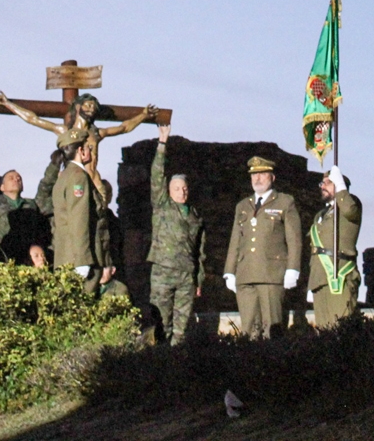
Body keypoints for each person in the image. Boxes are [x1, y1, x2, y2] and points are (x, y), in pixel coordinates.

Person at [0, 90, 155, 193]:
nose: (90, 109)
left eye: (93, 107)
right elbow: (34, 119)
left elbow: (124, 127)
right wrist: (8, 104)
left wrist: (143, 115)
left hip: (94, 180)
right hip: (74, 181)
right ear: (78, 108)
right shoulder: (65, 131)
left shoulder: (96, 133)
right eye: (87, 105)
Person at [223, 156, 301, 339]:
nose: (257, 179)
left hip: (271, 274)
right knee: (248, 331)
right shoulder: (242, 206)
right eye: (254, 175)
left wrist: (292, 269)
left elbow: (294, 239)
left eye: (262, 174)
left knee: (272, 330)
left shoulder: (284, 202)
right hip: (246, 274)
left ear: (272, 178)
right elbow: (235, 240)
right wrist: (229, 271)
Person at [148, 123, 206, 345]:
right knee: (162, 324)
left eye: (184, 189)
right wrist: (162, 143)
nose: (182, 192)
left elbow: (200, 251)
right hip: (163, 272)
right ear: (169, 191)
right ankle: (160, 364)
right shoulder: (162, 205)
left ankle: (177, 364)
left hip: (186, 276)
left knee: (182, 328)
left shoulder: (194, 215)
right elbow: (157, 175)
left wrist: (198, 280)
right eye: (177, 189)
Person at [51, 130, 108, 292]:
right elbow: (79, 218)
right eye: (88, 147)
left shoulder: (64, 177)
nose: (90, 150)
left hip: (66, 254)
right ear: (81, 151)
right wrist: (82, 259)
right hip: (79, 256)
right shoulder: (78, 176)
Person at [307, 165, 362, 328]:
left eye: (328, 183)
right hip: (320, 278)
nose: (322, 186)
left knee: (341, 329)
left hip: (339, 274)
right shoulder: (321, 215)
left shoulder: (351, 204)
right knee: (323, 333)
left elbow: (351, 211)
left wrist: (341, 189)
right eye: (322, 183)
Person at [0, 149, 61, 264]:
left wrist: (55, 164)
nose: (16, 180)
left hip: (28, 259)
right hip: (3, 259)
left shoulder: (31, 205)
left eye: (19, 178)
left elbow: (45, 187)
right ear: (2, 187)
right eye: (11, 178)